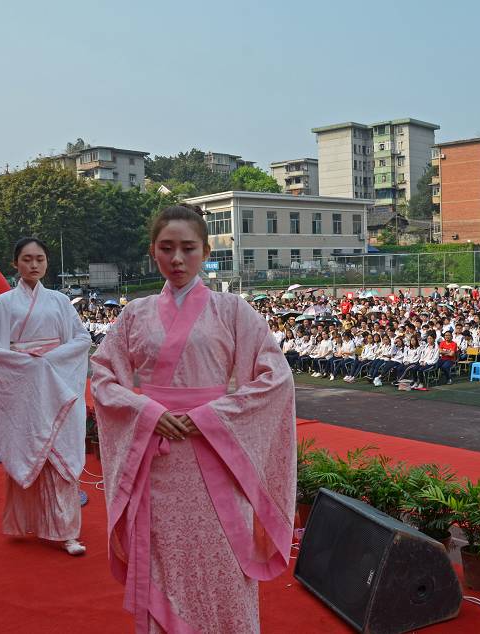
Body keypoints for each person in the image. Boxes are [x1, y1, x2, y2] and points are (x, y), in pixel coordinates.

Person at [91, 204, 296, 633]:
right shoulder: (134, 314)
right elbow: (104, 376)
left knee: (222, 557)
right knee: (162, 556)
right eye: (167, 248)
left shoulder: (234, 311)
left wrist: (212, 415)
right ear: (154, 252)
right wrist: (146, 410)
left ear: (205, 250)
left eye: (188, 248)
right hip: (157, 460)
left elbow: (276, 377)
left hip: (216, 455)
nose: (177, 259)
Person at [0, 238, 92, 556]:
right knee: (31, 453)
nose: (34, 265)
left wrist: (50, 360)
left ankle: (67, 531)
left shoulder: (58, 301)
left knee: (59, 456)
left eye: (40, 259)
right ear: (16, 264)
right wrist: (26, 364)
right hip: (24, 389)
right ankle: (28, 522)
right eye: (27, 259)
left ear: (46, 262)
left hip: (56, 386)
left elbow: (81, 339)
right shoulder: (2, 304)